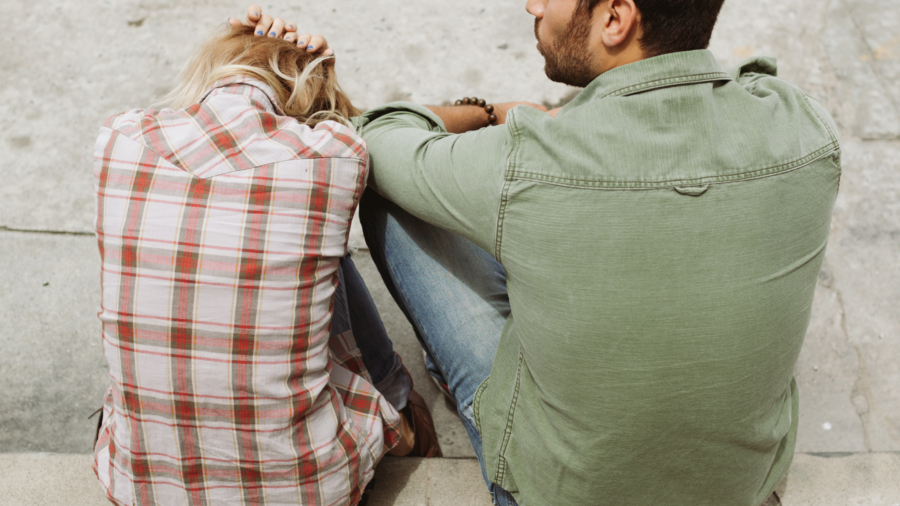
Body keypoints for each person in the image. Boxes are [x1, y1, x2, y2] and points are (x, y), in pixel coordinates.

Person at [242, 0, 842, 504]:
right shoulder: (805, 128)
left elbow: (376, 133)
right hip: (743, 491)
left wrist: (493, 113)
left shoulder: (527, 156)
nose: (532, 5)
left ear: (616, 18)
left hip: (550, 491)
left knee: (393, 194)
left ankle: (419, 400)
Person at [91, 23, 440, 506]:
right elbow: (353, 130)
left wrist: (234, 43)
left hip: (140, 488)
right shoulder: (332, 156)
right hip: (308, 489)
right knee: (313, 245)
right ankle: (403, 409)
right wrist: (320, 72)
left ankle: (397, 402)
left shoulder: (119, 139)